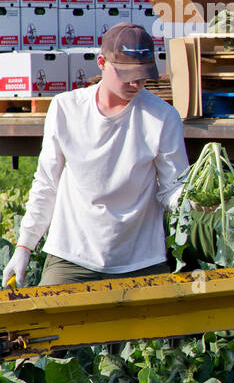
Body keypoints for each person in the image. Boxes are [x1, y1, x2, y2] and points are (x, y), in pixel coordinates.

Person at [3, 24, 188, 288]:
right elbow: (46, 183)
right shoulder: (66, 109)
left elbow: (172, 188)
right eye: (127, 74)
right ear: (102, 62)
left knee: (160, 330)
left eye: (143, 75)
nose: (136, 83)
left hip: (140, 260)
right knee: (47, 326)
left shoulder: (162, 117)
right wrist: (24, 246)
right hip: (72, 255)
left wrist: (195, 200)